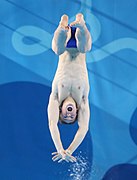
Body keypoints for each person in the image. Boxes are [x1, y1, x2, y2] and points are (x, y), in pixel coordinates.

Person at [47, 13, 92, 163]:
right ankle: (81, 24)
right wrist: (70, 150)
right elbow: (83, 128)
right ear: (76, 112)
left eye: (65, 116)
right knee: (84, 48)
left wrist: (60, 149)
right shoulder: (83, 100)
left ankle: (62, 26)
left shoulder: (56, 96)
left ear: (60, 110)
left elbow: (52, 124)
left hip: (64, 43)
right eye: (71, 117)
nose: (69, 115)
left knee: (58, 50)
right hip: (80, 44)